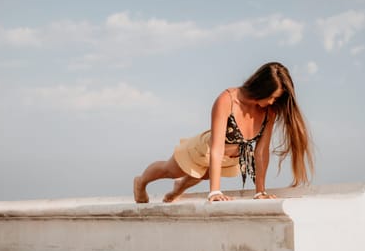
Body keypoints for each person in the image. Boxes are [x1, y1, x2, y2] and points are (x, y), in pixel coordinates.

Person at [133, 62, 314, 203]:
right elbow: (217, 147)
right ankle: (141, 182)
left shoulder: (269, 111)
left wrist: (260, 191)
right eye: (272, 96)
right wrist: (215, 192)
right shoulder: (227, 100)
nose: (274, 102)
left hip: (229, 159)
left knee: (201, 175)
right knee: (170, 170)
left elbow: (261, 152)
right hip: (205, 148)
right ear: (261, 89)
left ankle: (178, 188)